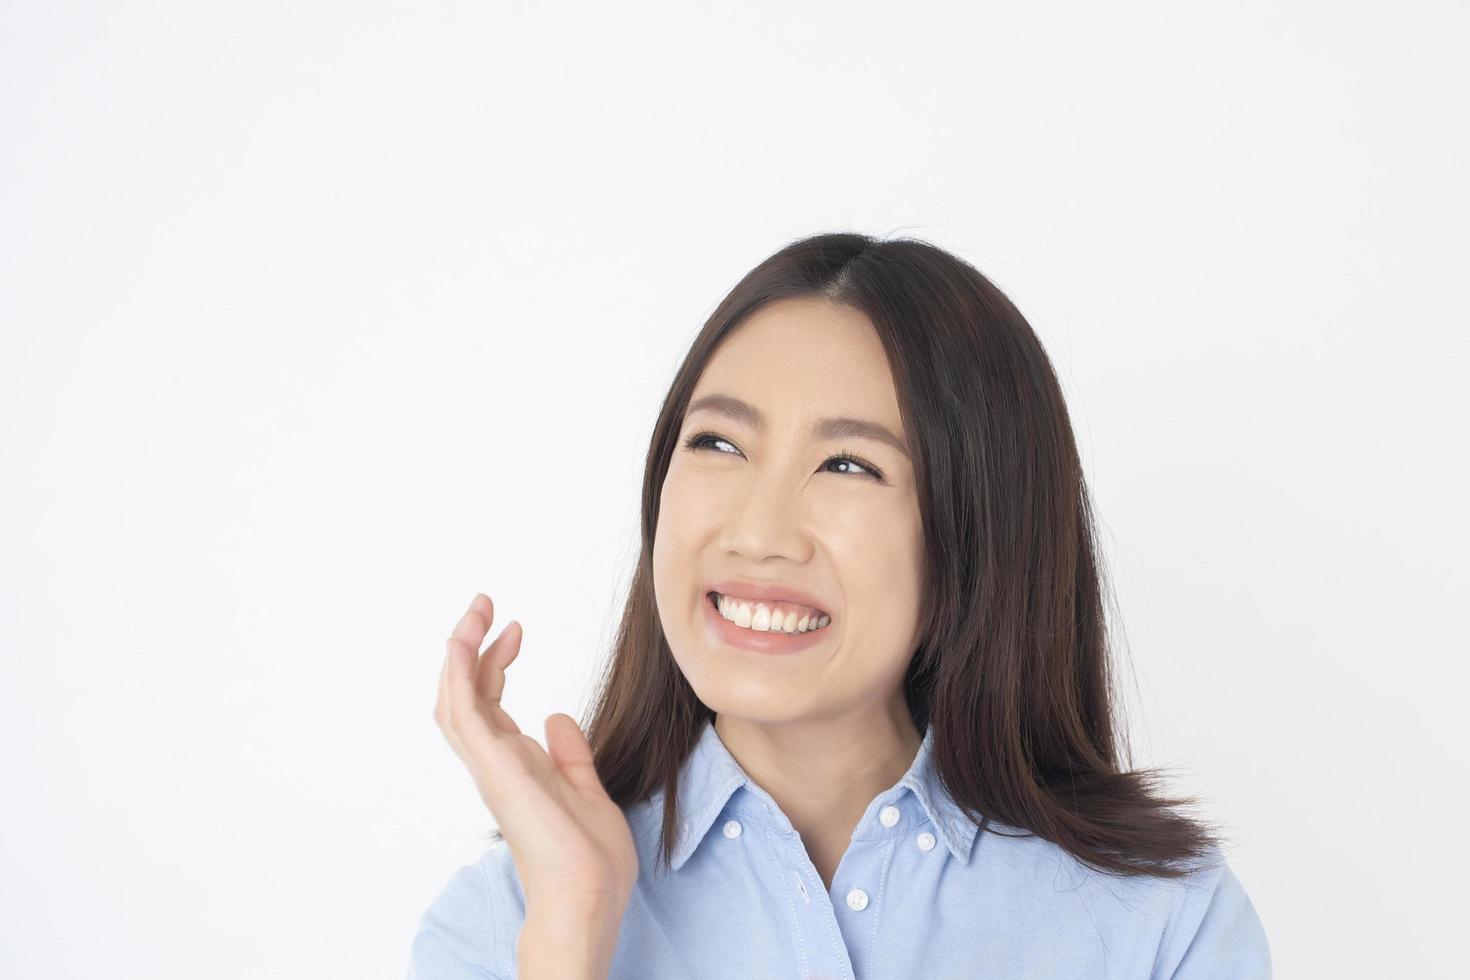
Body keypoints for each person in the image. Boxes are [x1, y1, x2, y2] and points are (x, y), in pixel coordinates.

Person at [406, 233, 1272, 979]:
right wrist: (571, 928)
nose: (758, 532)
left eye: (849, 464)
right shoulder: (507, 925)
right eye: (717, 443)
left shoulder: (1155, 922)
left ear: (980, 531)